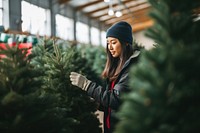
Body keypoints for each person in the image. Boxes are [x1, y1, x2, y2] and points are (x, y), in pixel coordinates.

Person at [69, 21, 140, 133]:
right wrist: (98, 104)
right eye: (108, 43)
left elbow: (116, 100)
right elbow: (113, 99)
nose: (110, 47)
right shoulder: (118, 65)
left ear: (126, 43)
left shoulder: (132, 68)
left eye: (113, 42)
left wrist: (88, 86)